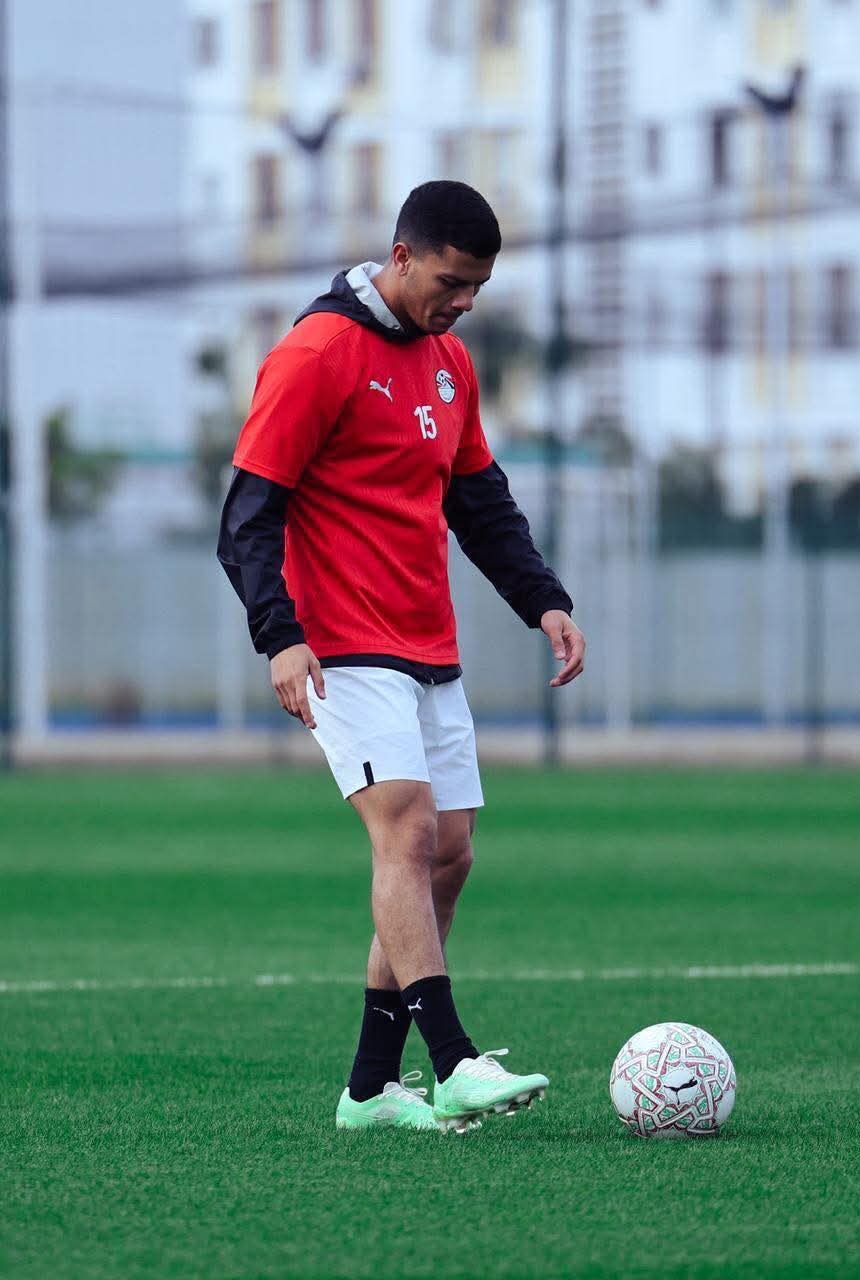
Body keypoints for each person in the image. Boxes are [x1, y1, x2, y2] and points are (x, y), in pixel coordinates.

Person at [217, 181, 586, 1133]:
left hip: (429, 645)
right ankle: (454, 1062)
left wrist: (544, 600)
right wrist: (280, 636)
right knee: (408, 833)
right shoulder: (317, 353)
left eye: (478, 287)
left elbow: (480, 502)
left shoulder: (450, 363)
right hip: (341, 647)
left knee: (449, 854)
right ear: (402, 256)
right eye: (451, 281)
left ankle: (372, 1088)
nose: (463, 301)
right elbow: (247, 517)